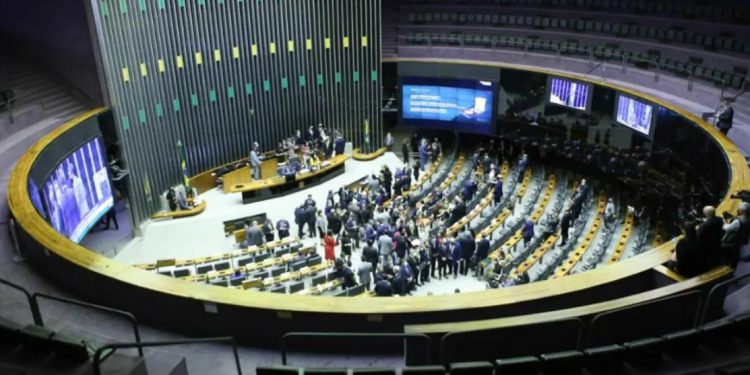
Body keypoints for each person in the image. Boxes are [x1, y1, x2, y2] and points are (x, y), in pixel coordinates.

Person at [721, 202, 750, 268]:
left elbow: (728, 229)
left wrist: (724, 222)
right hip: (740, 241)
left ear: (741, 211)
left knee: (726, 258)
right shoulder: (748, 219)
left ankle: (726, 270)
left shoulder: (737, 221)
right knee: (735, 257)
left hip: (731, 242)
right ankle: (733, 269)